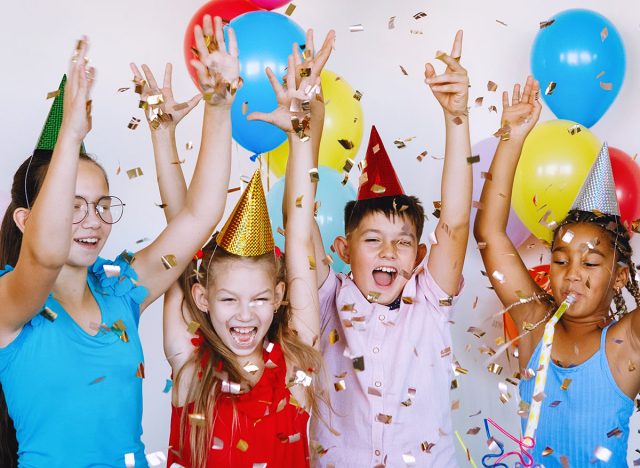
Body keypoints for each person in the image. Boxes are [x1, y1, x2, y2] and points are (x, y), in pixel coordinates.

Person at [0, 18, 235, 466]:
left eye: (101, 204)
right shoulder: (10, 302)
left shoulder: (120, 289)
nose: (92, 221)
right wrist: (71, 136)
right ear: (26, 220)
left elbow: (200, 216)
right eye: (72, 206)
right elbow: (45, 256)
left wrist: (219, 106)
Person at [278, 30, 473, 466]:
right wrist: (306, 125)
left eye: (403, 242)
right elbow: (298, 217)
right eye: (373, 240)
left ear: (419, 256)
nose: (389, 252)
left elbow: (456, 223)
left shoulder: (429, 301)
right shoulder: (327, 299)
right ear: (344, 250)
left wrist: (457, 117)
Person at [164, 24, 334, 468]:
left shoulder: (296, 363)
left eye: (260, 298)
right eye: (229, 299)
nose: (245, 314)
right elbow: (181, 233)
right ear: (201, 297)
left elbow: (297, 231)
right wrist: (175, 131)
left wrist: (300, 135)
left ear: (280, 296)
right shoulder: (189, 365)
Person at [474, 76, 639, 466]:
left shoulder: (628, 342)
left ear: (618, 277)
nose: (573, 273)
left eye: (591, 262)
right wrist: (511, 138)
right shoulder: (535, 325)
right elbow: (490, 235)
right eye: (562, 260)